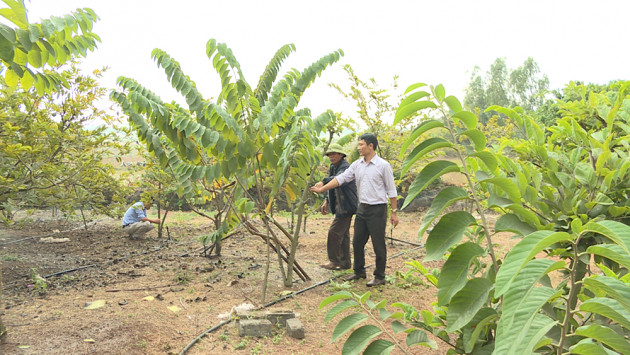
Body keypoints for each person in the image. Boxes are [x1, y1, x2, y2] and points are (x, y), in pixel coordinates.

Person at [311, 133, 398, 287]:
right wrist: (323, 188)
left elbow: (391, 190)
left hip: (378, 210)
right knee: (357, 242)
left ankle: (380, 276)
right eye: (358, 145)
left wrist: (395, 212)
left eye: (361, 145)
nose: (358, 148)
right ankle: (359, 272)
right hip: (362, 208)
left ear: (370, 146)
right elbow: (341, 179)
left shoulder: (383, 165)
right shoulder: (357, 165)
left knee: (378, 244)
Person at [314, 143, 358, 270]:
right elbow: (332, 184)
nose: (331, 157)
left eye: (334, 154)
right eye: (329, 154)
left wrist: (323, 182)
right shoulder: (334, 166)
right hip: (340, 205)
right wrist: (327, 200)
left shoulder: (345, 167)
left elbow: (337, 180)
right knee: (343, 235)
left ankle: (334, 261)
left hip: (347, 205)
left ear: (341, 155)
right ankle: (345, 263)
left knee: (334, 233)